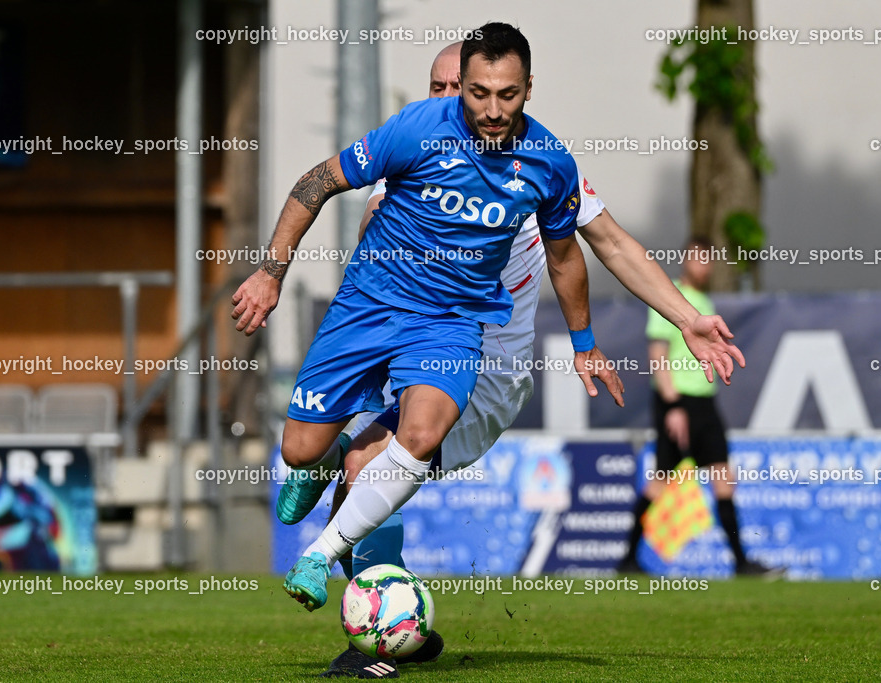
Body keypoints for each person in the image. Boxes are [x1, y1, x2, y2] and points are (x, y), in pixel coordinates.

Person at [278, 41, 747, 679]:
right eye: (448, 90)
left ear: (524, 90)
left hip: (485, 372)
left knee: (367, 465)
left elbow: (609, 245)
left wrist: (683, 318)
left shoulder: (536, 176)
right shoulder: (410, 163)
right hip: (402, 341)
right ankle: (337, 493)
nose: (468, 108)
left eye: (494, 93)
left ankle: (379, 642)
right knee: (322, 455)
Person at [232, 22, 625, 619]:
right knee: (298, 449)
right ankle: (329, 455)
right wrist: (271, 273)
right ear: (461, 86)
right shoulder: (417, 129)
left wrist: (585, 342)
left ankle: (317, 555)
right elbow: (315, 183)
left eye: (508, 95)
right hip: (370, 306)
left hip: (451, 322)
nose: (493, 110)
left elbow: (567, 257)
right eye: (477, 93)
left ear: (528, 89)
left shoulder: (549, 163)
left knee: (419, 436)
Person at [618, 237, 770, 576]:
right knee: (659, 483)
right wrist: (672, 406)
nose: (705, 265)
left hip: (706, 404)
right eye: (699, 257)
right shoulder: (669, 294)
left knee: (723, 479)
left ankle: (741, 564)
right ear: (686, 259)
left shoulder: (704, 300)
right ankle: (627, 560)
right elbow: (658, 356)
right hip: (678, 403)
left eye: (709, 259)